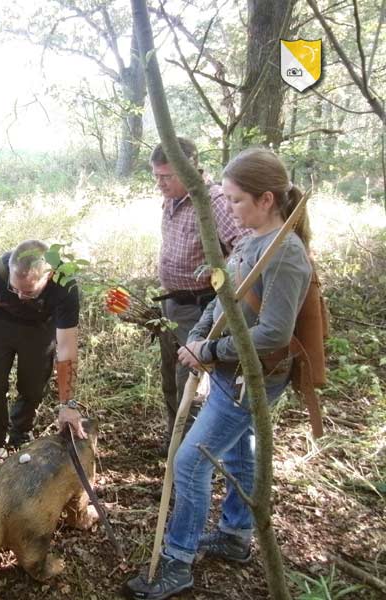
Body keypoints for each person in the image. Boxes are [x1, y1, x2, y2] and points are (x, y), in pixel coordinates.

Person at [125, 148, 313, 600]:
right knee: (240, 454)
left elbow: (273, 333)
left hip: (255, 376)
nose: (226, 208)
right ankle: (234, 534)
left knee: (188, 462)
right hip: (232, 369)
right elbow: (223, 294)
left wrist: (210, 349)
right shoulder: (251, 239)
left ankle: (178, 560)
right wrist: (201, 335)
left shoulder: (285, 254)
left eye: (234, 200)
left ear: (266, 199)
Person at [0, 240, 85, 474]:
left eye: (28, 291)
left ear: (48, 276)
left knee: (33, 385)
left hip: (40, 327)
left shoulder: (66, 285)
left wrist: (67, 404)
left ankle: (21, 431)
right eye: (14, 288)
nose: (20, 295)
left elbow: (67, 347)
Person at [150, 138, 246, 455]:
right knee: (168, 376)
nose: (160, 183)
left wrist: (221, 288)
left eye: (166, 176)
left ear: (190, 170)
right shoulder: (172, 200)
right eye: (156, 175)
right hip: (170, 304)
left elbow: (245, 249)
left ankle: (188, 450)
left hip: (198, 306)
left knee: (187, 381)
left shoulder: (214, 201)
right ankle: (173, 438)